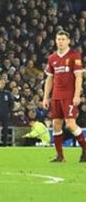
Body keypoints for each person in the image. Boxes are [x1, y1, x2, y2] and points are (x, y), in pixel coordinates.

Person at [42, 30, 86, 162]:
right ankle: (60, 156)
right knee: (56, 124)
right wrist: (45, 97)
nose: (60, 42)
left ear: (68, 41)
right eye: (58, 39)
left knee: (70, 124)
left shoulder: (74, 56)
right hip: (56, 96)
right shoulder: (52, 58)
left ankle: (85, 149)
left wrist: (77, 95)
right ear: (55, 41)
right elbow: (49, 79)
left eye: (63, 39)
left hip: (69, 96)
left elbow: (78, 77)